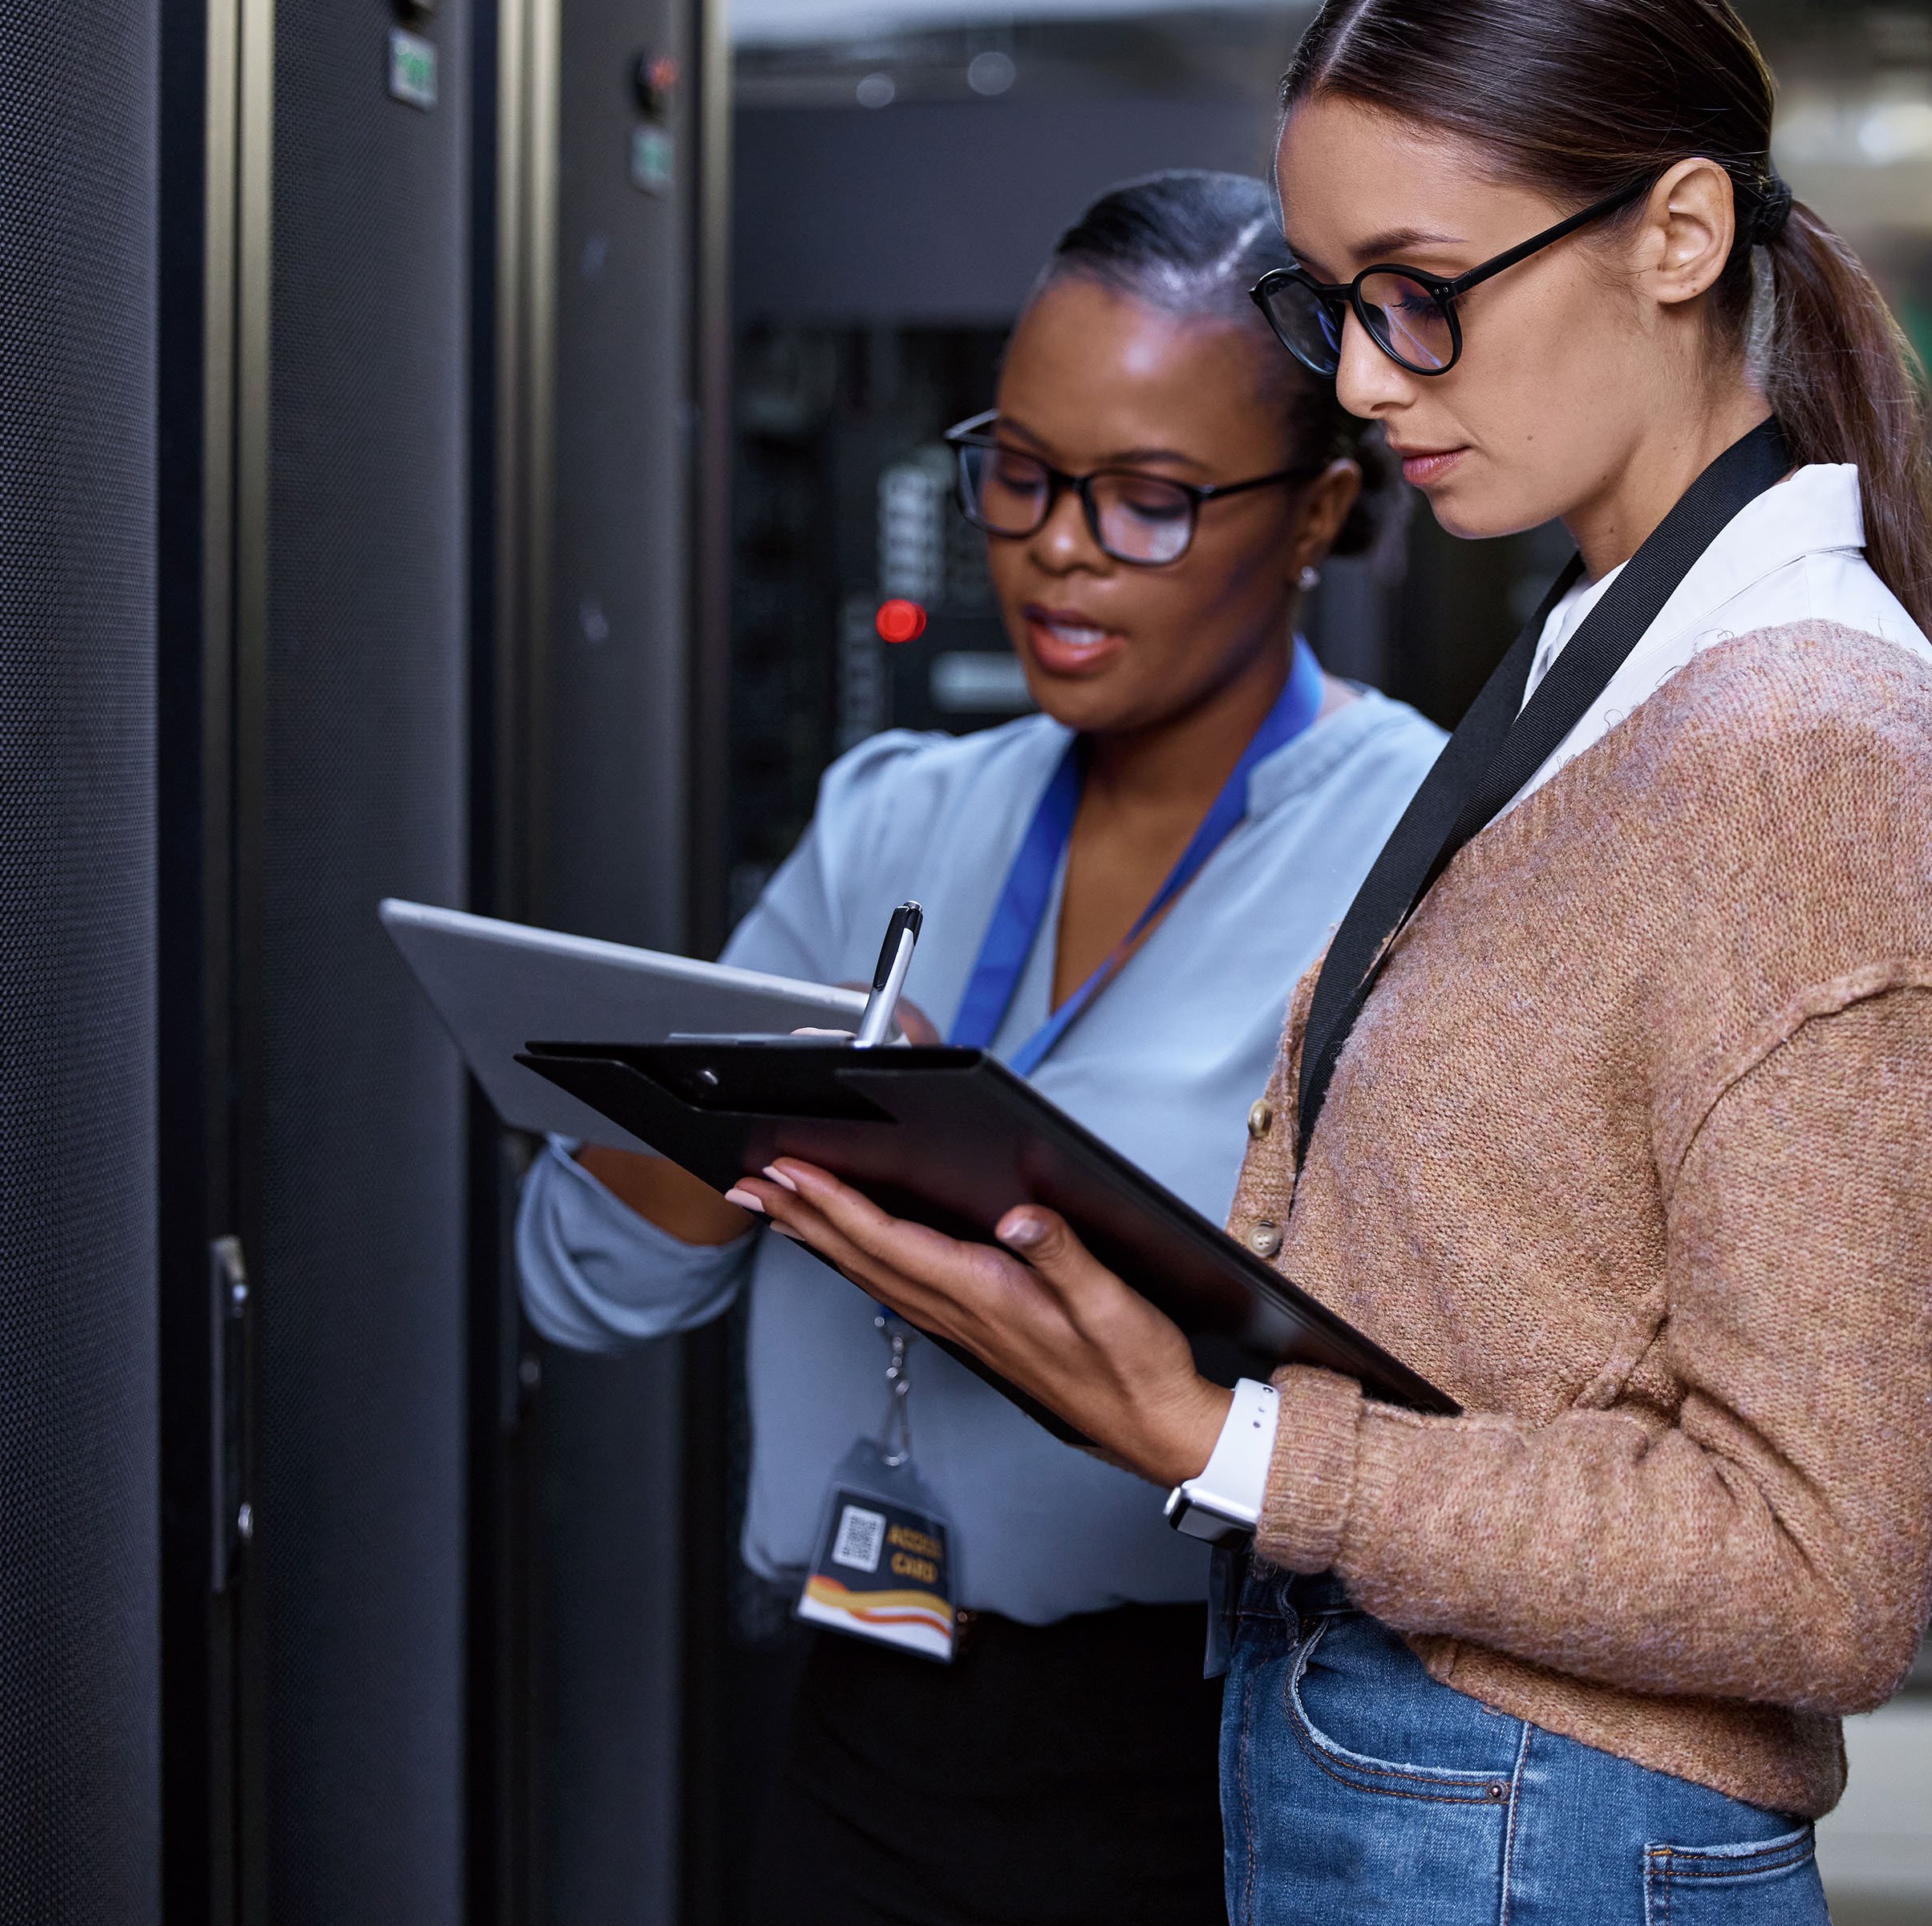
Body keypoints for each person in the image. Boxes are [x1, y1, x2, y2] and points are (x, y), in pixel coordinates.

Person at [723, 0, 1932, 1922]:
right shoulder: (1613, 666)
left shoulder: (1810, 744)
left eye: (1421, 300)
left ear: (1679, 234)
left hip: (1531, 1823)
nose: (1357, 379)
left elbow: (1815, 1561)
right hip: (1426, 1788)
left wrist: (1220, 1434)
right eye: (1332, 304)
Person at [516, 168, 1443, 1926]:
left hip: (1231, 1753)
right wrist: (767, 1108)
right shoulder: (893, 821)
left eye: (1149, 499)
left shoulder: (1421, 857)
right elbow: (586, 1283)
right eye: (1017, 472)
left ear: (1320, 509)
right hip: (872, 1721)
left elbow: (1441, 1390)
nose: (1060, 544)